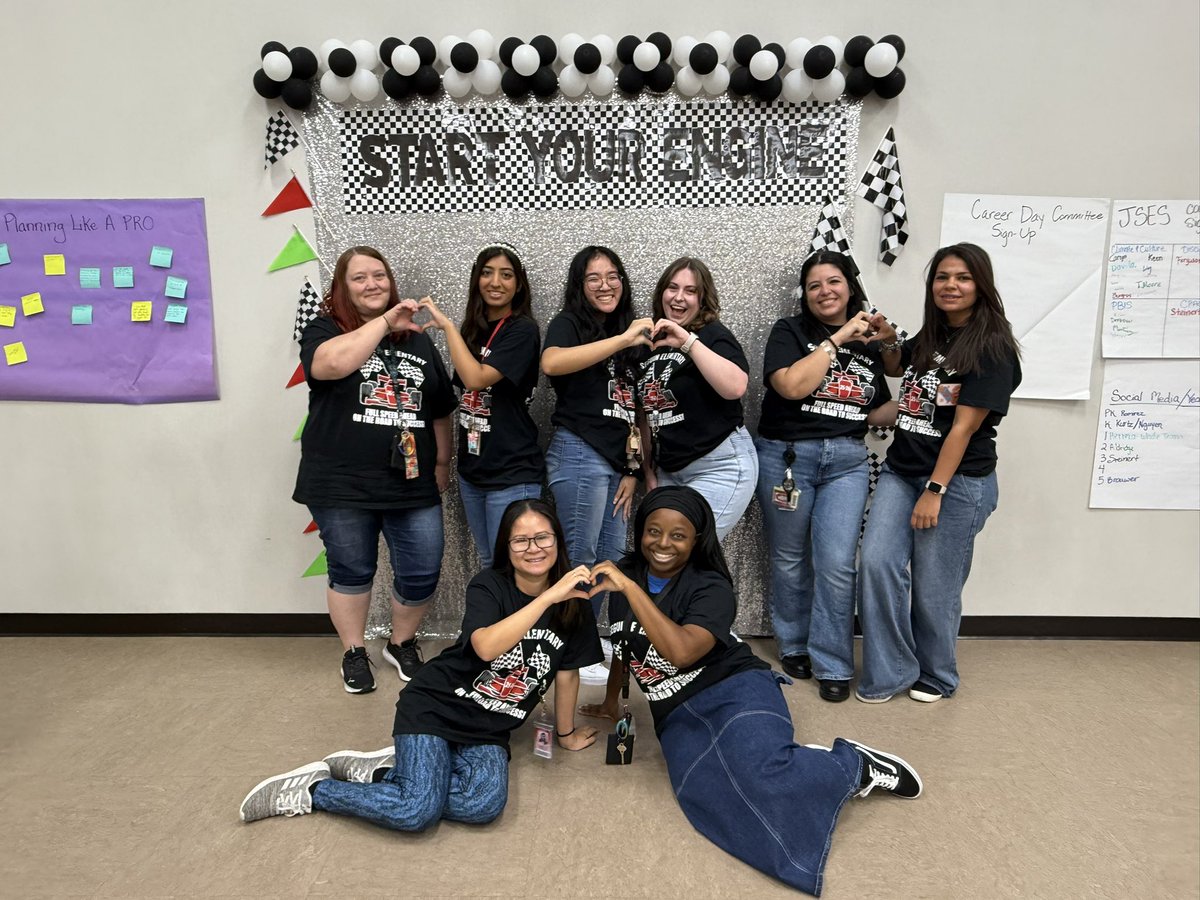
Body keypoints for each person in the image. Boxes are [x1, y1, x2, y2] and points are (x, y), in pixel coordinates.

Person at [579, 486, 922, 897]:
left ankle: (853, 765)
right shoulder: (627, 572)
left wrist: (631, 591)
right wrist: (612, 700)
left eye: (678, 535)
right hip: (676, 712)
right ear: (640, 532)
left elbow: (683, 652)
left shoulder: (711, 587)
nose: (663, 544)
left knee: (761, 778)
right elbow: (624, 643)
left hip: (734, 688)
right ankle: (793, 761)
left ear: (697, 539)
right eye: (653, 531)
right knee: (706, 801)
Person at [240, 499, 602, 828]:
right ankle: (315, 791)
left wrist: (565, 735)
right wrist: (549, 597)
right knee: (415, 812)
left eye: (543, 538)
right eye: (520, 541)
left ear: (558, 541)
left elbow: (568, 673)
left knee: (482, 805)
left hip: (488, 727)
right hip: (436, 705)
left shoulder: (575, 603)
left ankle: (387, 774)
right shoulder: (488, 585)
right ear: (506, 549)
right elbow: (486, 647)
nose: (534, 549)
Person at [857, 243, 1022, 704]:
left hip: (955, 482)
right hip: (901, 471)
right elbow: (896, 367)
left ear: (981, 285)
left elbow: (964, 429)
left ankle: (938, 674)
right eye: (942, 277)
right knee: (876, 563)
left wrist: (935, 489)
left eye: (963, 278)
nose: (951, 285)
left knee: (935, 585)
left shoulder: (992, 348)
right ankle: (890, 671)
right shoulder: (933, 336)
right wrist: (889, 337)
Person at [293, 246, 455, 694]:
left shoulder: (418, 339)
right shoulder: (325, 329)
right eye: (359, 278)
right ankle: (354, 651)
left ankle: (401, 643)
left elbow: (440, 408)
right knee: (351, 568)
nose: (372, 285)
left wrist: (442, 461)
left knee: (422, 568)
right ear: (342, 288)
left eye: (379, 276)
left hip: (411, 479)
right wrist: (384, 323)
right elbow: (330, 365)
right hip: (340, 481)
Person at [754, 251, 900, 702]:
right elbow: (792, 387)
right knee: (790, 558)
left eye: (833, 282)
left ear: (849, 286)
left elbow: (872, 409)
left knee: (836, 564)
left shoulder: (871, 343)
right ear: (805, 293)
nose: (825, 292)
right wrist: (838, 338)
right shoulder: (789, 332)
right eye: (814, 285)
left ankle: (833, 661)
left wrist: (915, 401)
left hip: (847, 463)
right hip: (788, 460)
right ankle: (794, 644)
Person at [541, 246, 653, 683]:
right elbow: (552, 362)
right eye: (593, 278)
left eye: (613, 276)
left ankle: (583, 639)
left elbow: (635, 409)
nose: (605, 285)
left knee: (608, 559)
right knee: (579, 559)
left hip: (615, 463)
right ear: (579, 286)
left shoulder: (634, 329)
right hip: (578, 451)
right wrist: (623, 340)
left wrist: (631, 468)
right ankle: (567, 649)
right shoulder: (570, 324)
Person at [418, 244, 544, 567]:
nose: (495, 282)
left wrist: (446, 327)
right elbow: (461, 395)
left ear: (519, 284)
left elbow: (476, 378)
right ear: (477, 279)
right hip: (473, 471)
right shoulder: (472, 330)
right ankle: (497, 620)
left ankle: (526, 620)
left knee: (516, 564)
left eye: (506, 274)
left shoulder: (522, 329)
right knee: (489, 561)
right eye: (487, 273)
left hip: (512, 470)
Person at [639, 257, 757, 541]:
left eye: (690, 291)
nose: (679, 297)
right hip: (670, 471)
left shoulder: (712, 334)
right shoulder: (651, 340)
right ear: (661, 293)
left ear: (702, 299)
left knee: (688, 553)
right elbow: (644, 413)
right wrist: (647, 470)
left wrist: (688, 342)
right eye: (672, 288)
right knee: (666, 557)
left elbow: (736, 387)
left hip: (720, 465)